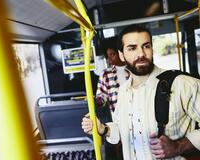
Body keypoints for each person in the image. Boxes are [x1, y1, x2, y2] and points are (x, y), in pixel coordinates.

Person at [82, 24, 200, 160]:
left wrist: (178, 146)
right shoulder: (123, 92)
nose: (141, 54)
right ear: (121, 54)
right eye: (132, 48)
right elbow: (123, 129)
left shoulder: (182, 84)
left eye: (146, 46)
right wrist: (104, 129)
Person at [95, 37, 128, 160]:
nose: (109, 59)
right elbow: (102, 96)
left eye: (112, 55)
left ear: (120, 53)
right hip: (118, 119)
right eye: (108, 56)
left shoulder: (133, 70)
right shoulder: (105, 74)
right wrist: (97, 101)